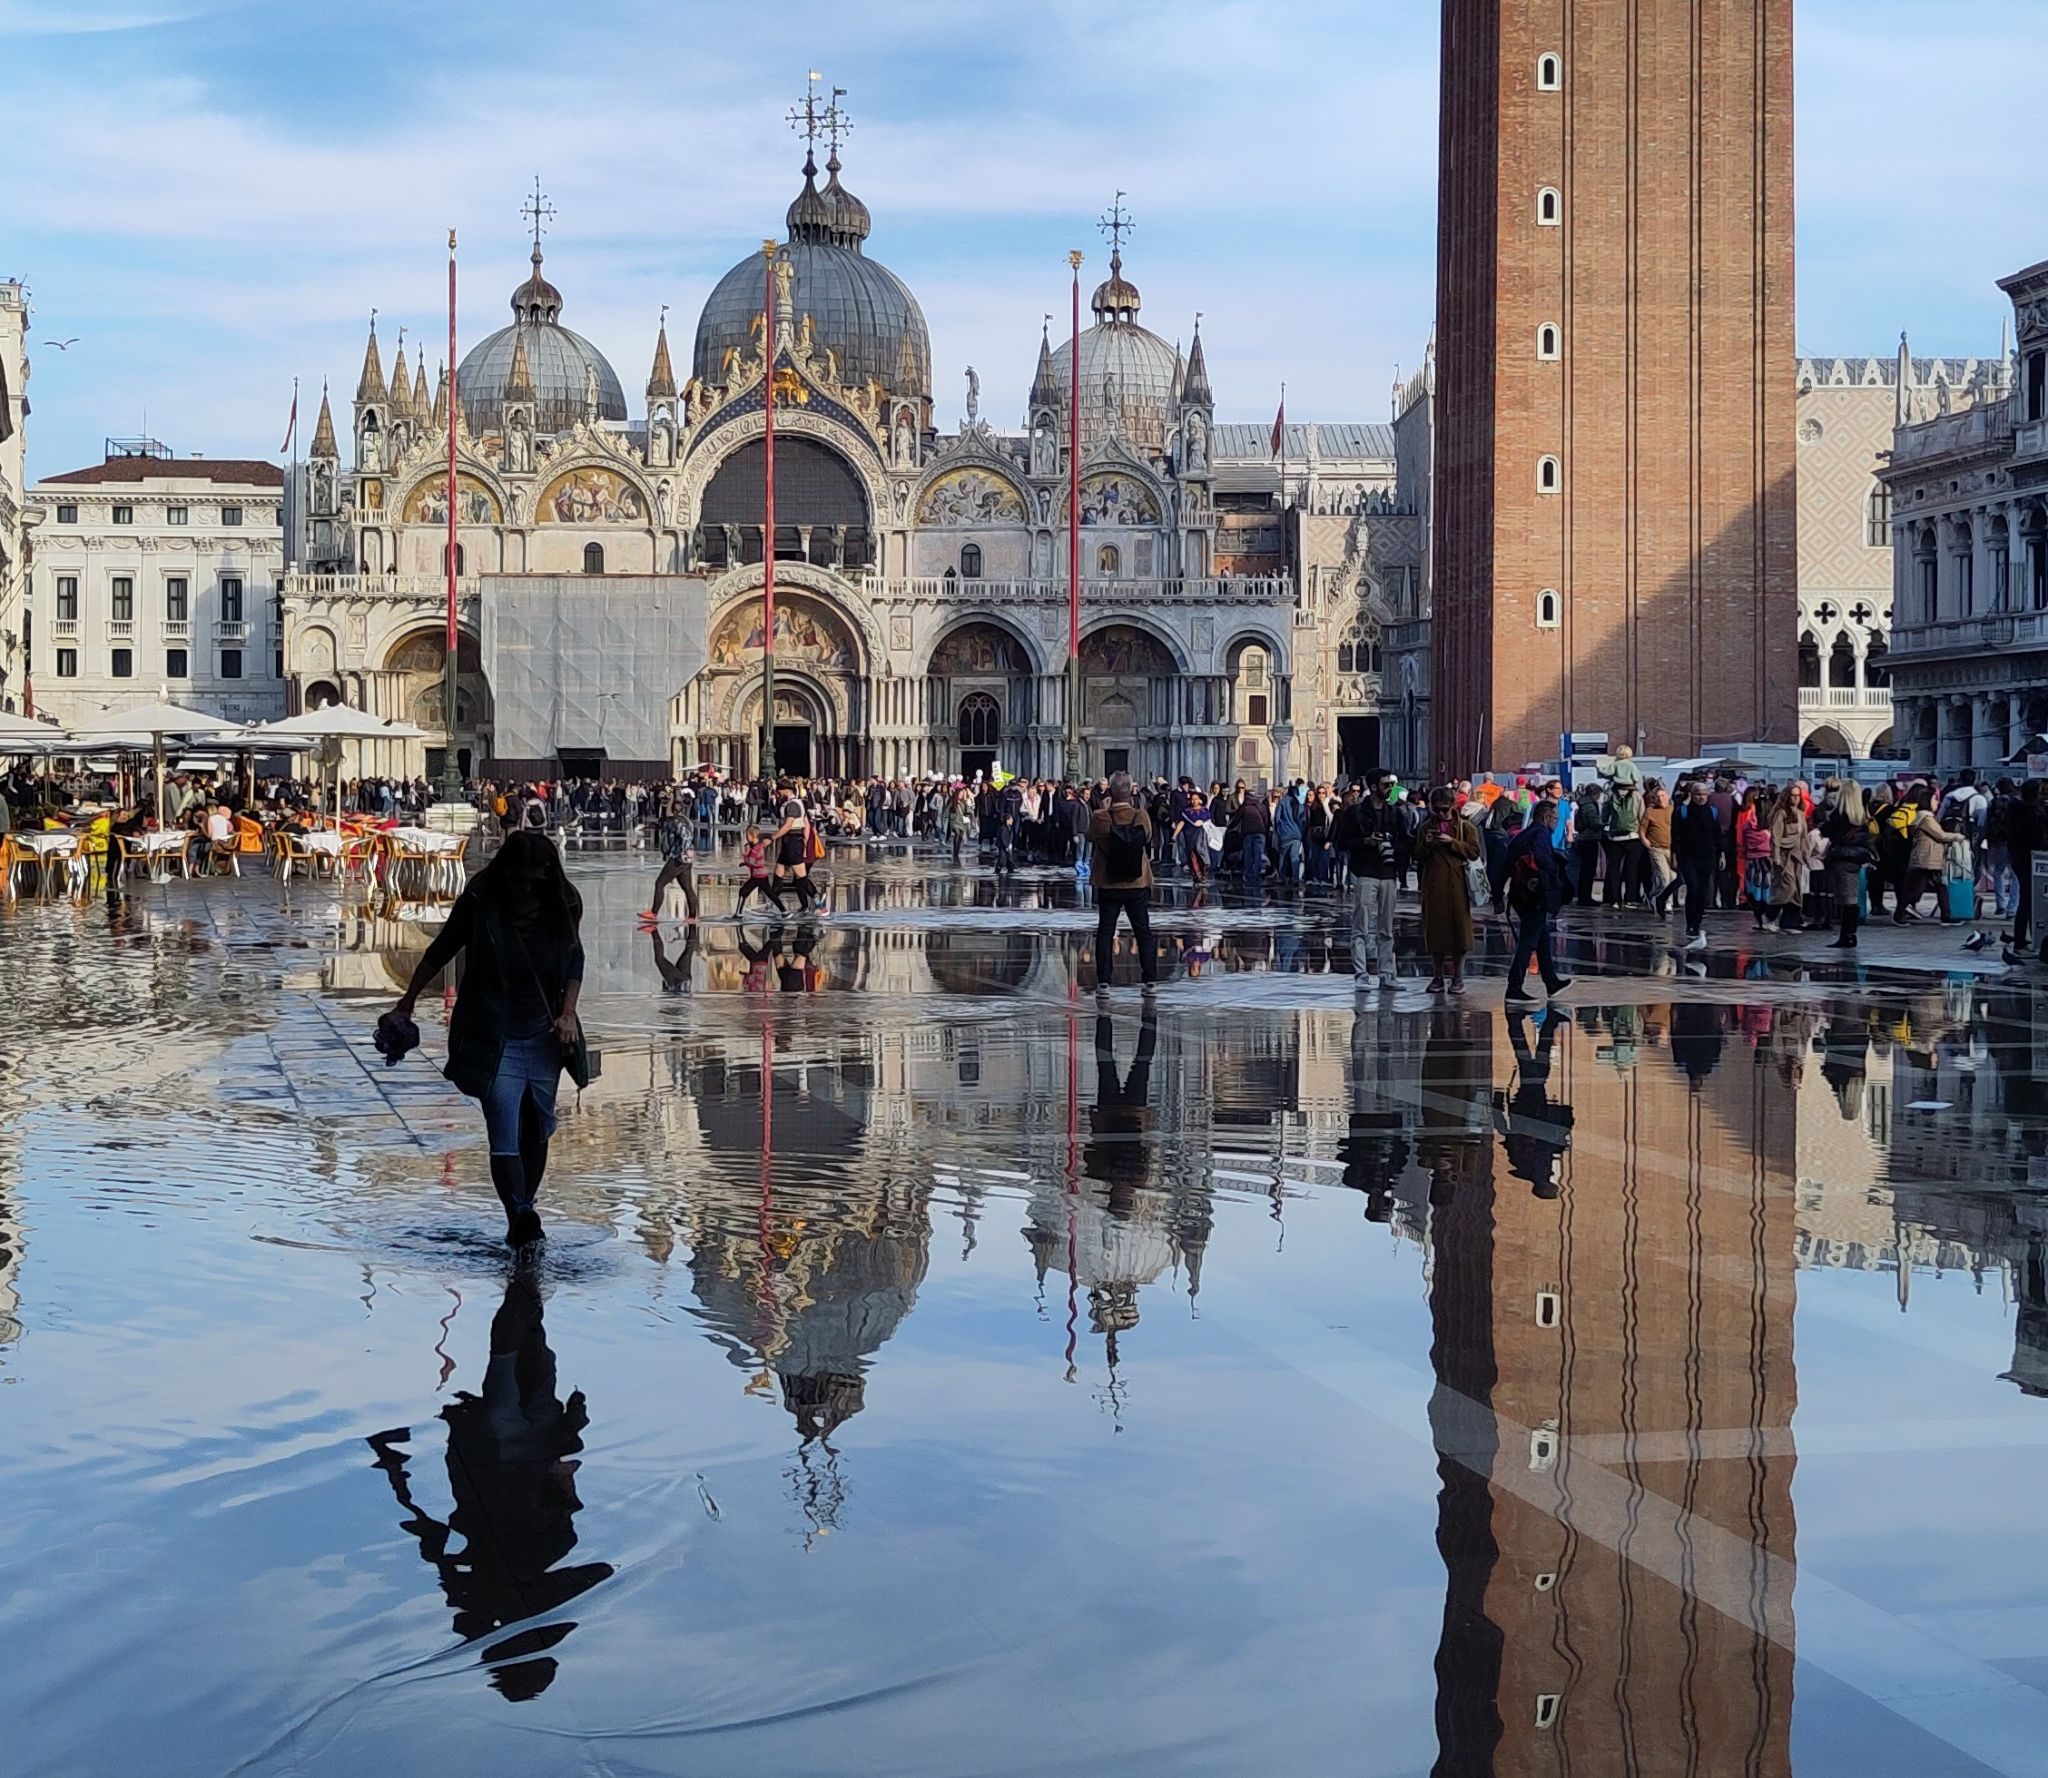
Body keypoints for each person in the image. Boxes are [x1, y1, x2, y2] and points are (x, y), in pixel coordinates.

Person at [387, 830, 586, 1247]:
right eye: (519, 881)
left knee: (536, 1125)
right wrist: (406, 1003)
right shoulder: (480, 902)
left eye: (535, 882)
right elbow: (441, 950)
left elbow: (574, 957)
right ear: (505, 873)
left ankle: (524, 1209)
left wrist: (568, 1012)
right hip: (493, 1031)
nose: (526, 890)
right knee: (503, 1120)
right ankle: (519, 1213)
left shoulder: (564, 901)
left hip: (545, 1032)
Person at [1330, 773, 1405, 990]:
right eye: (1386, 785)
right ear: (1373, 787)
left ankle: (1387, 974)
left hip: (1388, 873)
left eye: (1392, 784)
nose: (1390, 788)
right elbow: (1341, 842)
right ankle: (1361, 974)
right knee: (1360, 926)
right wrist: (1365, 841)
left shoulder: (1395, 812)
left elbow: (1405, 842)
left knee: (1386, 928)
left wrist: (1393, 849)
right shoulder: (1355, 813)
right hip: (1365, 872)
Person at [1497, 800, 1573, 1003]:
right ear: (1546, 817)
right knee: (1528, 940)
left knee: (1542, 937)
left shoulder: (1522, 835)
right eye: (1555, 818)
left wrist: (1498, 896)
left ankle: (1551, 981)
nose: (1556, 822)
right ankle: (1514, 987)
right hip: (1534, 895)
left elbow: (1505, 866)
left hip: (1519, 894)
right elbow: (1542, 858)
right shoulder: (1541, 834)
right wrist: (1556, 868)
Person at [1087, 771, 1157, 988]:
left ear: (1110, 791)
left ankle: (1104, 981)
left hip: (1108, 882)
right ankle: (1150, 979)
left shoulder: (1100, 817)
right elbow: (1147, 838)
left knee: (1106, 931)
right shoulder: (1141, 816)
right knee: (1143, 931)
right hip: (1137, 882)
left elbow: (1090, 836)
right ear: (1131, 792)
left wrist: (1105, 808)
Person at [1413, 785, 1482, 994]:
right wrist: (1427, 844)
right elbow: (1417, 856)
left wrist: (1453, 842)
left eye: (1445, 809)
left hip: (1458, 884)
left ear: (1453, 805)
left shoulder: (1465, 827)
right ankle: (1437, 977)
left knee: (1460, 933)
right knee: (1436, 932)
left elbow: (1474, 852)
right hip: (1434, 885)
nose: (1442, 814)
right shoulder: (1425, 828)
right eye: (1437, 810)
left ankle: (1458, 977)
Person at [1820, 781, 1875, 949]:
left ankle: (1847, 936)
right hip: (1857, 858)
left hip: (1842, 857)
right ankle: (1851, 934)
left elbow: (1825, 831)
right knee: (1852, 896)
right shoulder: (1862, 814)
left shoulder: (1839, 815)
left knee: (1846, 898)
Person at [1900, 785, 1965, 925]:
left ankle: (1946, 915)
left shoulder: (1924, 817)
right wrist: (1958, 836)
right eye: (1935, 799)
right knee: (1915, 889)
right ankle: (1899, 914)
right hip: (1925, 859)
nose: (1937, 802)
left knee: (1940, 887)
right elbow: (1940, 835)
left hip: (1930, 859)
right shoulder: (1926, 818)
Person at [1766, 784, 1808, 932]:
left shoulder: (1800, 813)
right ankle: (1769, 916)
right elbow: (1776, 837)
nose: (1795, 798)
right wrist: (1776, 856)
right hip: (1784, 855)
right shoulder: (1781, 813)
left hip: (1797, 855)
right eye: (1793, 795)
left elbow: (1803, 836)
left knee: (1796, 889)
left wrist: (1805, 855)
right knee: (1787, 886)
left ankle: (1790, 921)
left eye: (1798, 796)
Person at [770, 782, 817, 914]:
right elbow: (806, 823)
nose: (777, 795)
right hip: (791, 841)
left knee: (801, 876)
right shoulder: (797, 803)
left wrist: (772, 838)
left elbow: (788, 825)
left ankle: (815, 902)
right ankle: (773, 903)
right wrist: (805, 841)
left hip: (793, 840)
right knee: (778, 872)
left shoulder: (792, 805)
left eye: (778, 792)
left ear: (786, 791)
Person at [643, 820, 699, 925]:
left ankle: (653, 913)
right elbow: (665, 825)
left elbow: (686, 839)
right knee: (687, 888)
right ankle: (692, 916)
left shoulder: (679, 823)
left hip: (678, 859)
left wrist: (683, 854)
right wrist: (655, 825)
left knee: (660, 883)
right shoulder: (676, 821)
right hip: (684, 860)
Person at [733, 824, 778, 918]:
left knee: (743, 891)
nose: (746, 838)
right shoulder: (756, 846)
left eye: (747, 836)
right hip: (759, 875)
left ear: (752, 836)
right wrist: (744, 863)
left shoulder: (756, 848)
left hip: (759, 876)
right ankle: (738, 913)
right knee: (769, 893)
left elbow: (751, 862)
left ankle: (738, 913)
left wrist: (746, 854)